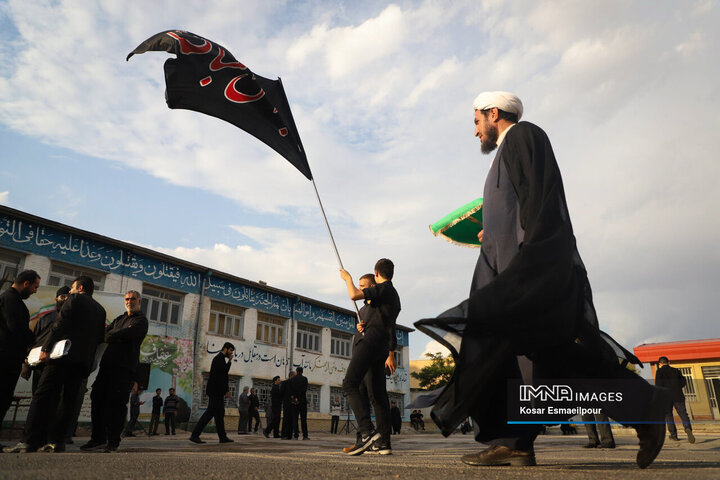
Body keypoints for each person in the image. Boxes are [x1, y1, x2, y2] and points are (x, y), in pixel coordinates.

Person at [414, 91, 670, 469]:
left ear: (493, 113)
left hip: (528, 271)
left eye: (475, 121)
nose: (474, 132)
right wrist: (493, 233)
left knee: (553, 353)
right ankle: (514, 441)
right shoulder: (504, 153)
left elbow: (540, 202)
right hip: (510, 268)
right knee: (525, 357)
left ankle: (644, 409)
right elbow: (515, 208)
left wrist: (530, 263)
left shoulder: (523, 136)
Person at [7, 275, 105, 454]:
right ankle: (57, 442)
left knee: (42, 396)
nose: (70, 291)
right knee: (68, 402)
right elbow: (99, 339)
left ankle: (28, 441)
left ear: (80, 288)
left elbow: (59, 324)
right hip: (82, 363)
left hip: (61, 358)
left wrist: (45, 348)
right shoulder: (100, 310)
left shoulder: (74, 299)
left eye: (73, 288)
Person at [340, 258, 401, 456]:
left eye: (365, 286)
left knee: (349, 384)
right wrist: (362, 326)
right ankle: (378, 442)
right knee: (372, 393)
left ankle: (367, 433)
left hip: (373, 345)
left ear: (376, 275)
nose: (363, 290)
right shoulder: (382, 299)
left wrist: (347, 279)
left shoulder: (385, 290)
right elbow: (381, 320)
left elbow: (353, 294)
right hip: (375, 345)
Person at [80, 290, 148, 453]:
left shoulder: (141, 321)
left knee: (116, 405)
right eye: (127, 299)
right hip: (107, 367)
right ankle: (98, 439)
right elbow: (106, 334)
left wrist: (112, 335)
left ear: (139, 301)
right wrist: (112, 335)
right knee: (97, 398)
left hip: (124, 369)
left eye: (133, 299)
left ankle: (113, 442)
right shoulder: (120, 318)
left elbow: (122, 334)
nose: (129, 301)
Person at [0, 270, 40, 441]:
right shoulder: (11, 299)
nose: (35, 291)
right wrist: (34, 339)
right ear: (26, 284)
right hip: (5, 359)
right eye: (34, 287)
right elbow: (16, 327)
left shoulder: (10, 298)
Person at [190, 342, 235, 444]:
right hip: (215, 392)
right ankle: (194, 435)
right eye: (231, 350)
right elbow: (223, 376)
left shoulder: (221, 359)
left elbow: (223, 375)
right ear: (226, 349)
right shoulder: (219, 359)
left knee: (219, 415)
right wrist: (226, 390)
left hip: (217, 392)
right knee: (209, 413)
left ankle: (222, 437)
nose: (231, 353)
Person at [655, 356, 695, 443]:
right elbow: (683, 382)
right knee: (683, 413)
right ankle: (687, 428)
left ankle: (673, 435)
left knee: (668, 416)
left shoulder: (659, 372)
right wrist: (677, 387)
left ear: (660, 364)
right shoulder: (676, 371)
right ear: (669, 362)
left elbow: (658, 386)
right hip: (678, 395)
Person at [289, 366, 309, 440]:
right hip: (302, 401)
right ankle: (305, 436)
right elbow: (304, 390)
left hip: (295, 402)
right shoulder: (304, 379)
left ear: (297, 371)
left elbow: (291, 391)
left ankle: (296, 435)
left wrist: (295, 397)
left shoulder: (292, 380)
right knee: (303, 419)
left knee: (295, 419)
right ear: (302, 372)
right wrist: (299, 397)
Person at [280, 371, 296, 439]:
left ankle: (289, 435)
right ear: (291, 376)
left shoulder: (295, 384)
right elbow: (281, 393)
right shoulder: (285, 383)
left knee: (291, 419)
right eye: (294, 376)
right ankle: (284, 435)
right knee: (286, 419)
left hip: (292, 404)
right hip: (286, 403)